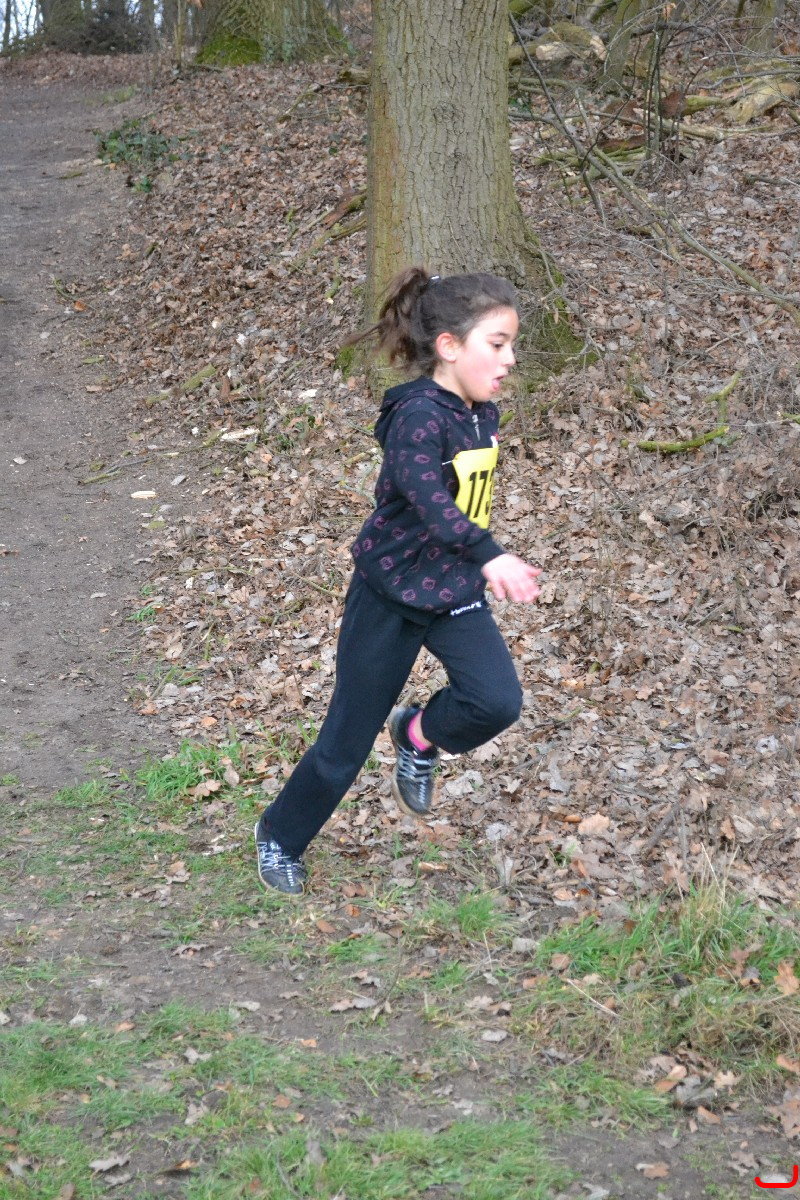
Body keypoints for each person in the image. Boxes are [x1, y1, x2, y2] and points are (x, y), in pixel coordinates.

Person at [254, 266, 541, 895]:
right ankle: (280, 835)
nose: (510, 359)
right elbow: (427, 497)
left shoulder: (481, 414)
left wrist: (477, 560)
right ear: (449, 346)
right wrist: (490, 553)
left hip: (453, 589)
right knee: (345, 743)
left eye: (511, 345)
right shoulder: (416, 416)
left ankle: (417, 735)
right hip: (391, 593)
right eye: (498, 344)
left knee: (496, 701)